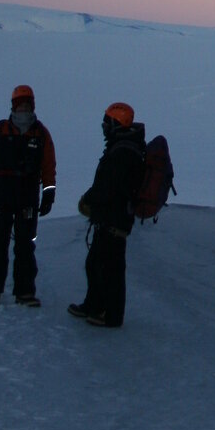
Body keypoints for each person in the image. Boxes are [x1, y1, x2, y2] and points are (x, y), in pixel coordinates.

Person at [0, 84, 57, 306]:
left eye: (27, 103)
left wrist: (49, 192)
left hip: (27, 198)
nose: (23, 107)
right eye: (19, 103)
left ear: (32, 105)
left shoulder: (41, 134)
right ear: (13, 105)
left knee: (25, 245)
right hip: (1, 196)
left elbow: (49, 166)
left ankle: (25, 292)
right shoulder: (0, 131)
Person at [70, 101, 146, 328]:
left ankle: (111, 315)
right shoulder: (124, 148)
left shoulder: (123, 151)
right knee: (95, 264)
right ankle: (94, 306)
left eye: (107, 121)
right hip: (111, 218)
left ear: (116, 124)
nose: (103, 126)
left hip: (115, 219)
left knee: (109, 268)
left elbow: (108, 186)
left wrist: (89, 200)